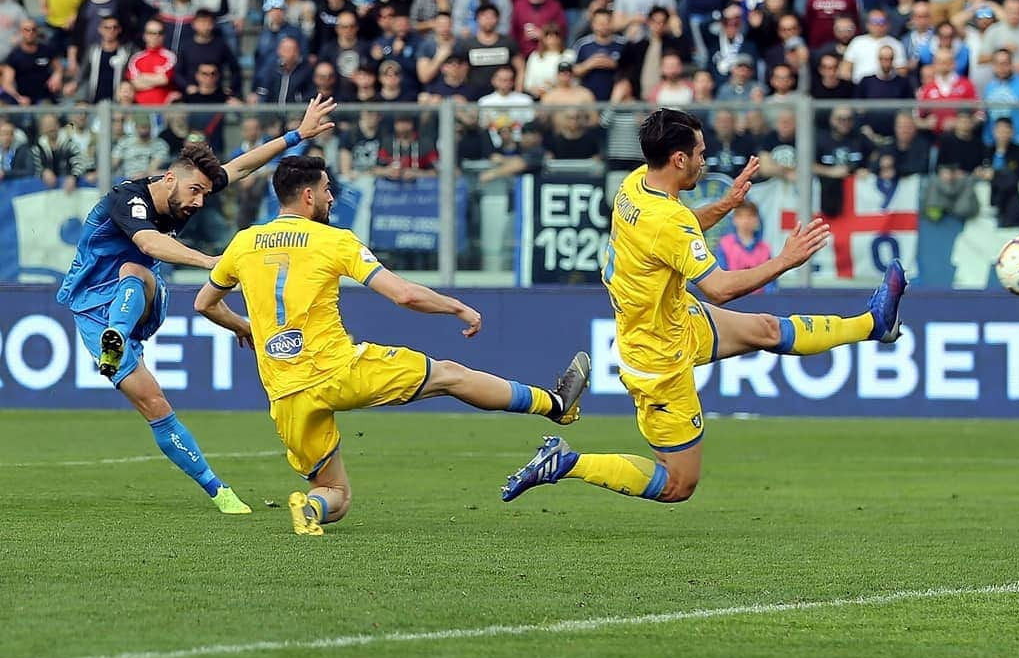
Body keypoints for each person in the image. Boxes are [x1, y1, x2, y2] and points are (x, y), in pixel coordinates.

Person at [500, 108, 907, 504]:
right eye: (700, 154)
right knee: (678, 485)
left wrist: (727, 204)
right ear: (679, 159)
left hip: (675, 318)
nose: (704, 161)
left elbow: (677, 233)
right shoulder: (665, 220)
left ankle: (874, 323)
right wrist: (784, 261)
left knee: (765, 329)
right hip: (658, 358)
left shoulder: (637, 183)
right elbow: (720, 287)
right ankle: (567, 462)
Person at [192, 153, 591, 536]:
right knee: (451, 375)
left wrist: (245, 327)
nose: (332, 197)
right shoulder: (334, 241)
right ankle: (554, 405)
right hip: (339, 371)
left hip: (285, 394)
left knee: (335, 493)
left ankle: (312, 506)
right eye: (328, 189)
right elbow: (403, 295)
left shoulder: (243, 243)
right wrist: (456, 307)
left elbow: (204, 303)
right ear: (309, 195)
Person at [54, 95, 339, 516]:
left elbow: (241, 166)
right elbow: (150, 241)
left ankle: (118, 332)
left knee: (135, 269)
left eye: (205, 193)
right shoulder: (127, 200)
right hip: (89, 310)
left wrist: (297, 134)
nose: (199, 202)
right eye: (195, 192)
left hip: (139, 295)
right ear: (170, 178)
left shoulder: (190, 189)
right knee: (155, 406)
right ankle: (219, 492)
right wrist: (213, 261)